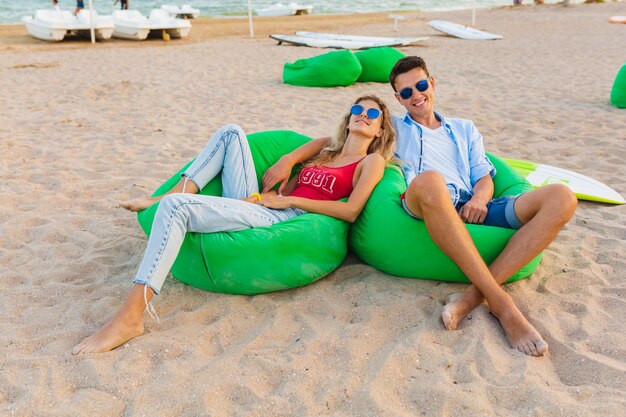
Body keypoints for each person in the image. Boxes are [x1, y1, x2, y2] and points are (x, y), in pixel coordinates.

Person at [263, 56, 577, 357]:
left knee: (562, 197)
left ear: (432, 83)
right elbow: (338, 140)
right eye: (407, 92)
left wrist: (480, 199)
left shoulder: (465, 128)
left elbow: (484, 176)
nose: (417, 96)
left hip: (473, 204)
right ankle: (504, 306)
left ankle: (471, 297)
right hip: (422, 199)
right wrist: (288, 159)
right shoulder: (393, 127)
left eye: (421, 86)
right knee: (430, 180)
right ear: (398, 98)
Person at [72, 95, 396, 354]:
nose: (362, 115)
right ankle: (168, 195)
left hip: (283, 217)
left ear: (380, 130)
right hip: (259, 200)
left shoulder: (371, 162)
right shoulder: (326, 145)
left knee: (175, 209)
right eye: (357, 109)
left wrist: (290, 201)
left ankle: (130, 317)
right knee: (230, 131)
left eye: (372, 114)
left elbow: (352, 211)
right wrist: (285, 167)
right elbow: (288, 159)